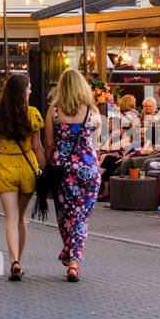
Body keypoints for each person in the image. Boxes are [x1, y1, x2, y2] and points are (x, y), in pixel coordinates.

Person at [44, 69, 102, 282]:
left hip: (62, 168)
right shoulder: (92, 111)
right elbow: (95, 143)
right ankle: (74, 261)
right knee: (81, 217)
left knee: (65, 215)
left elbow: (49, 143)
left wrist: (49, 164)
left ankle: (70, 254)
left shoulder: (54, 110)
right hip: (88, 168)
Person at [0, 72, 45, 278]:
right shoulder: (33, 114)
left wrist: (5, 147)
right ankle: (19, 260)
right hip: (27, 167)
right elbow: (38, 147)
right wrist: (45, 170)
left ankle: (14, 261)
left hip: (5, 166)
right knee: (21, 218)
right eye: (29, 87)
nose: (31, 90)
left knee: (10, 218)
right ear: (23, 92)